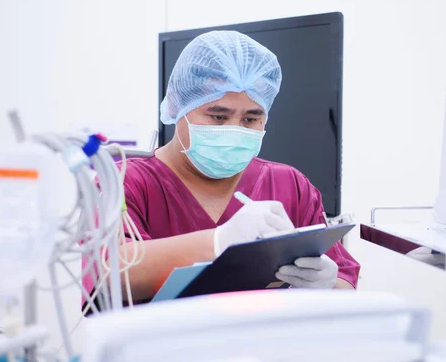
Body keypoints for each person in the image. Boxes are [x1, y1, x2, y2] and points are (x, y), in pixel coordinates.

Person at [82, 30, 360, 306]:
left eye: (251, 119)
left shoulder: (290, 185)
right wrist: (219, 242)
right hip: (160, 347)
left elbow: (345, 285)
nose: (234, 130)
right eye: (218, 116)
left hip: (265, 347)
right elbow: (106, 274)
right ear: (179, 106)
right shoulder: (123, 181)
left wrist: (326, 285)